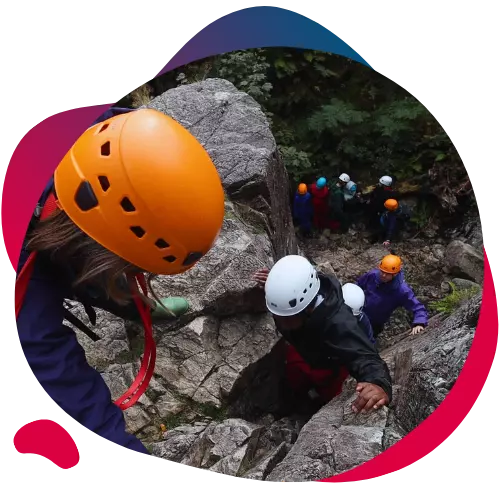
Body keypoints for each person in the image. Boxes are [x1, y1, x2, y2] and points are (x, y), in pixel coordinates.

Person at [14, 107, 225, 456]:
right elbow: (60, 380)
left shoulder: (103, 137)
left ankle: (115, 294)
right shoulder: (24, 290)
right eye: (130, 268)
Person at [252, 255, 392, 413]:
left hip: (331, 363)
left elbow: (364, 355)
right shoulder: (296, 297)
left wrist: (379, 384)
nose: (280, 321)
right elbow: (293, 285)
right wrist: (278, 287)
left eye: (287, 317)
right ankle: (295, 402)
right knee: (294, 380)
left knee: (329, 395)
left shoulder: (338, 322)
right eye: (277, 315)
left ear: (308, 308)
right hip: (302, 351)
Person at [356, 254, 428, 339]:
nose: (383, 275)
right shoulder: (373, 275)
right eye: (382, 272)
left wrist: (419, 322)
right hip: (357, 313)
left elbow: (417, 307)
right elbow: (357, 286)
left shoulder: (402, 291)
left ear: (395, 274)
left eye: (387, 274)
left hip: (373, 324)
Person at [366, 175, 396, 242]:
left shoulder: (383, 194)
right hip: (385, 211)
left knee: (379, 225)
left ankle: (379, 238)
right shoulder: (392, 193)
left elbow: (376, 203)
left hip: (381, 212)